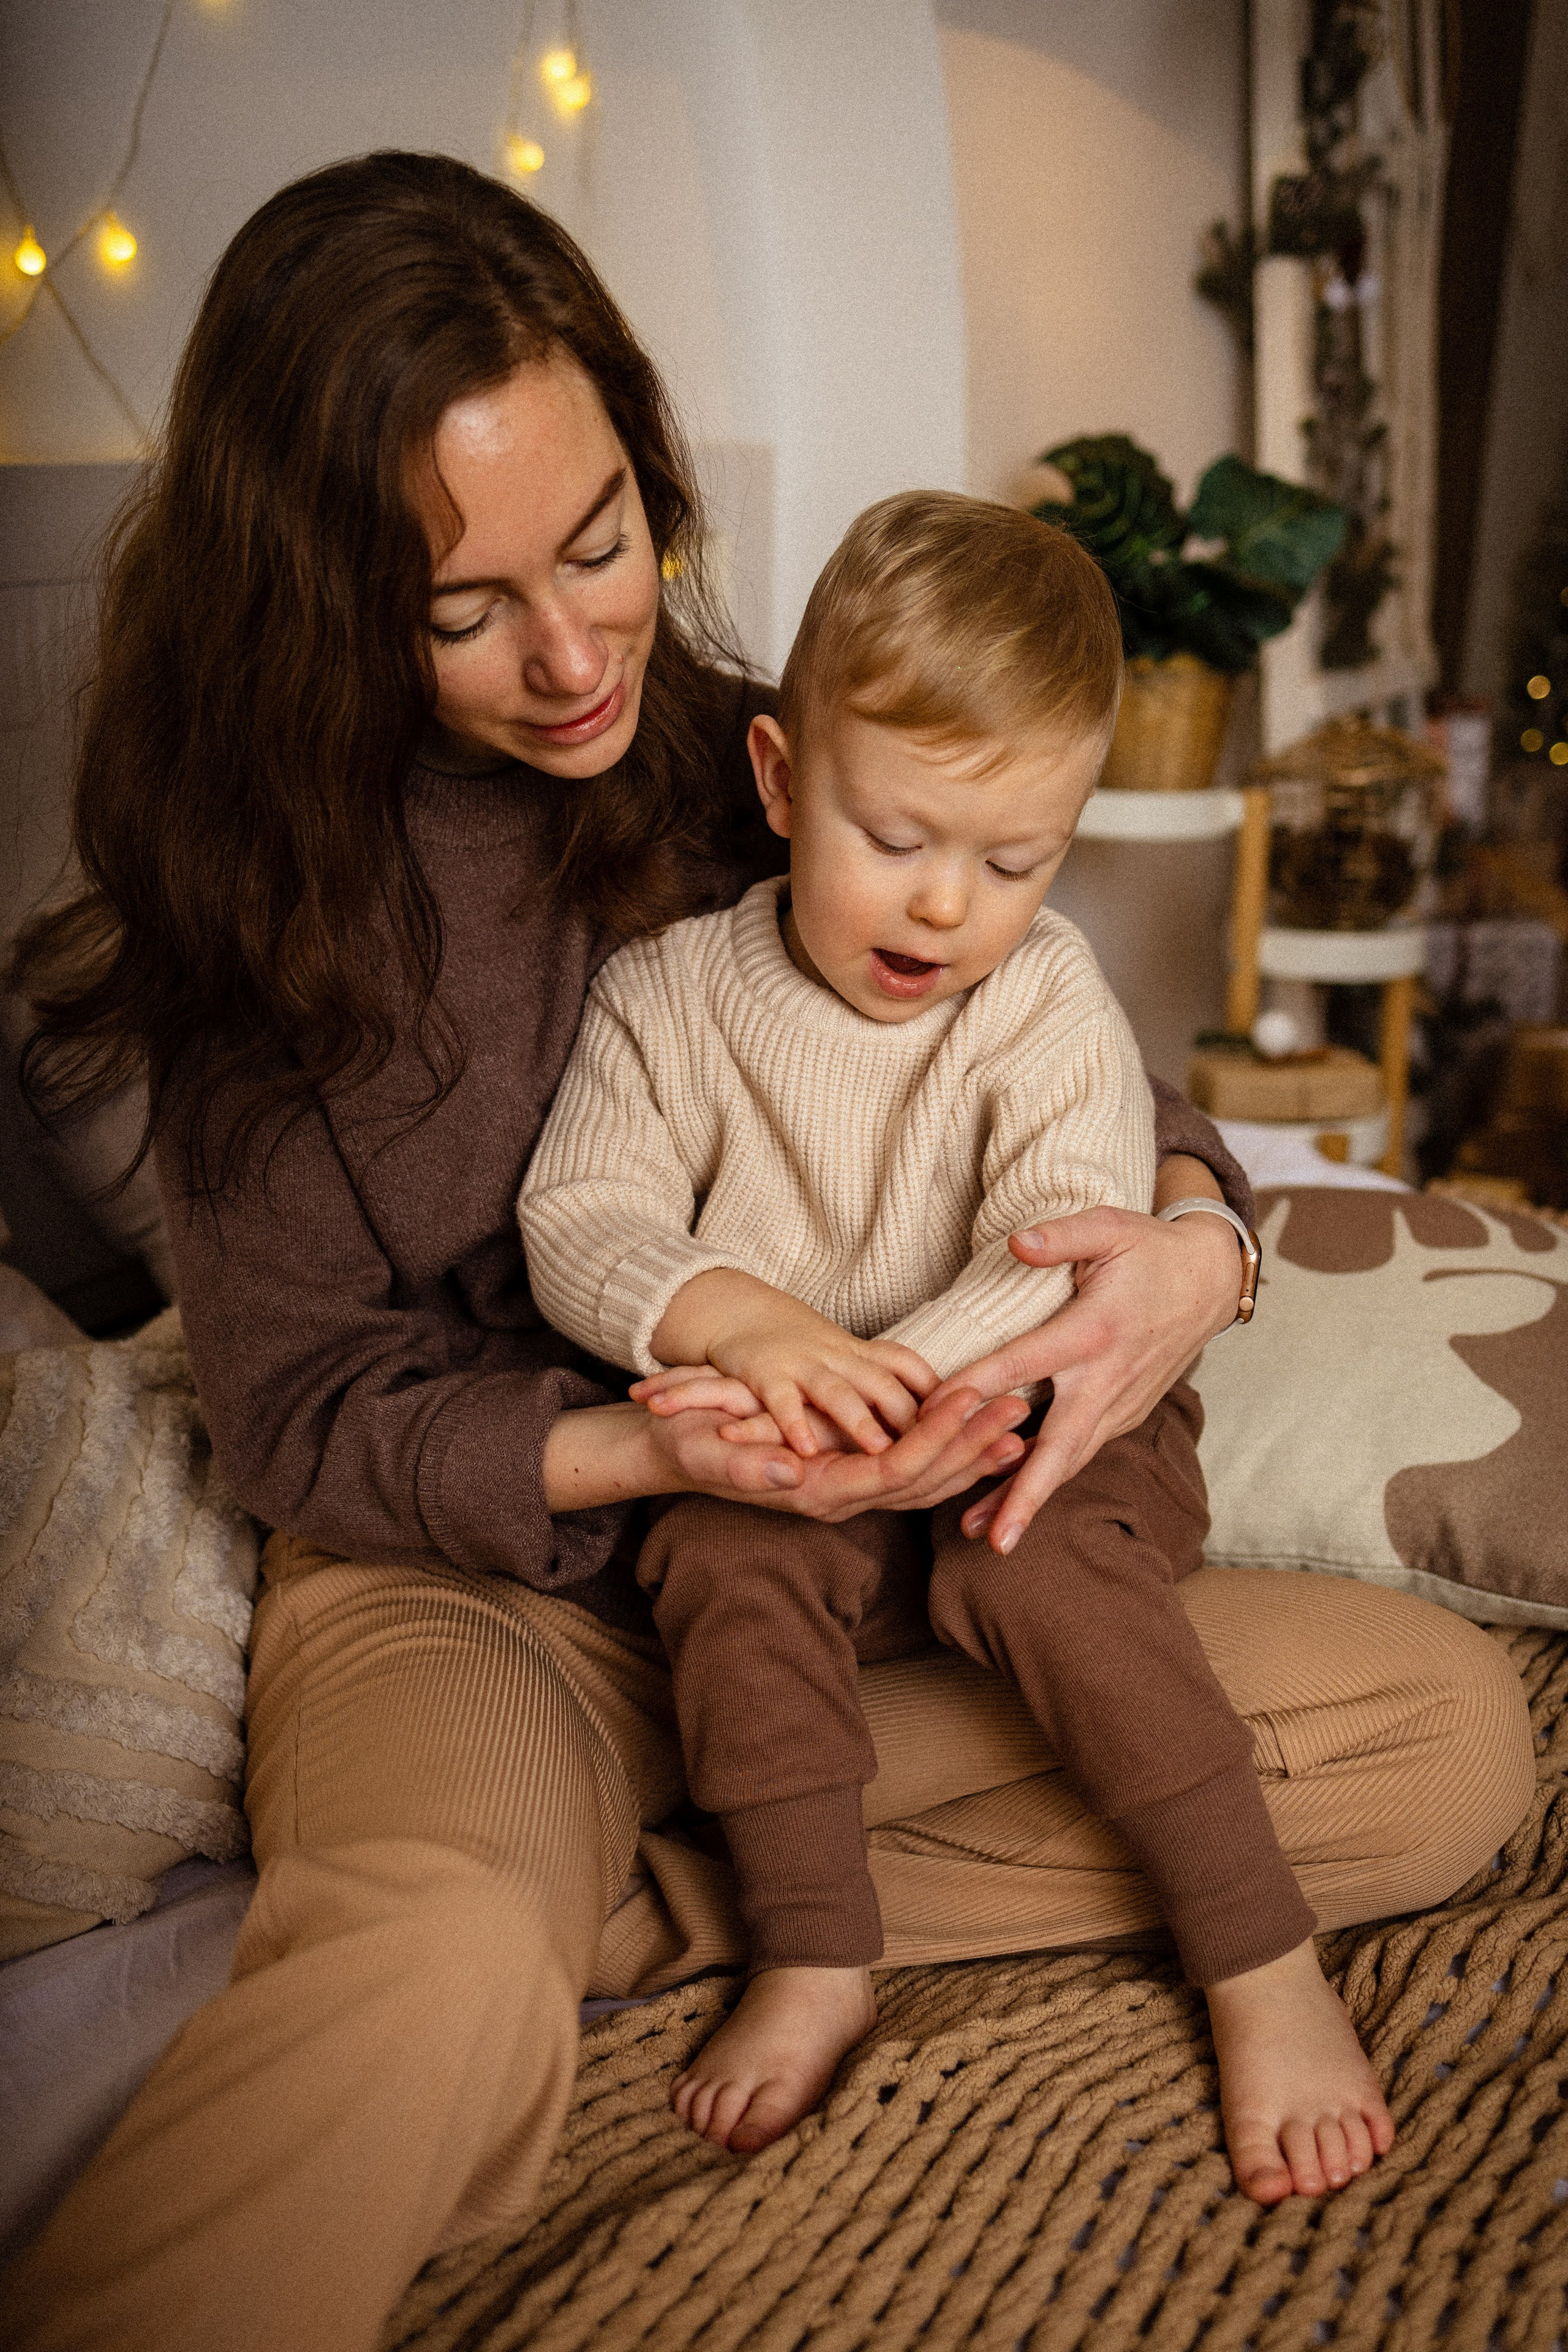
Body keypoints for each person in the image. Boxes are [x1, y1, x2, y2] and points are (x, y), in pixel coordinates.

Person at [1, 153, 1533, 2352]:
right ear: (319, 601)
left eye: (605, 541)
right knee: (426, 1948)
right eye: (463, 610)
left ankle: (643, 1900)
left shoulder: (748, 751)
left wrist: (1200, 1246)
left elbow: (1045, 1049)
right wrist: (671, 1451)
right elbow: (312, 1418)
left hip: (874, 1568)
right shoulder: (259, 920)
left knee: (1444, 1735)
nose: (569, 653)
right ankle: (520, 1920)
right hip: (498, 1587)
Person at [517, 487, 1355, 2174]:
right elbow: (581, 1218)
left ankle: (1262, 1954)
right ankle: (818, 1945)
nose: (943, 909)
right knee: (720, 1558)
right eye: (894, 840)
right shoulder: (667, 995)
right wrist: (745, 1326)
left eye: (1013, 860)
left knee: (1022, 1566)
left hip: (1030, 1424)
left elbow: (1056, 1226)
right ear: (777, 782)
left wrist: (920, 1400)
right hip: (796, 1451)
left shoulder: (1042, 995)